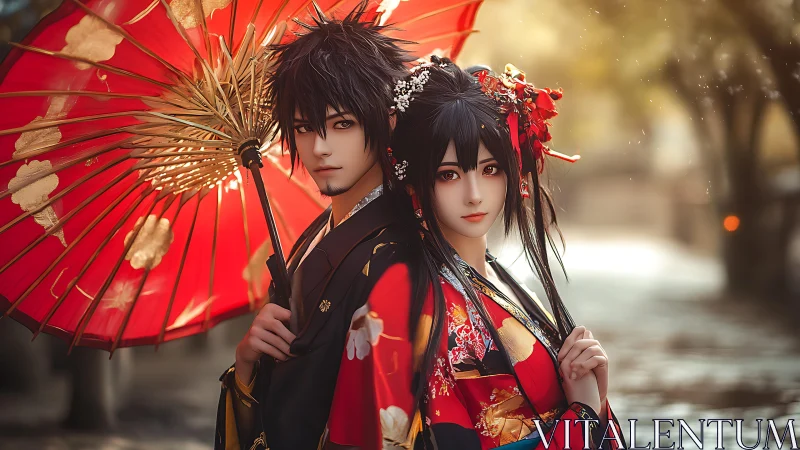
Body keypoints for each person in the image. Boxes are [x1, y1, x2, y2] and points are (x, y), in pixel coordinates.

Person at [325, 58, 628, 449]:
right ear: (415, 181)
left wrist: (594, 403)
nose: (474, 194)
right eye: (448, 174)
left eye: (489, 169)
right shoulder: (399, 297)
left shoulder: (505, 281)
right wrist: (583, 415)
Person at [213, 3, 428, 449]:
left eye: (342, 124)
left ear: (384, 120)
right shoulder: (319, 233)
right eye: (305, 127)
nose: (320, 148)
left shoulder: (397, 249)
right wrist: (249, 360)